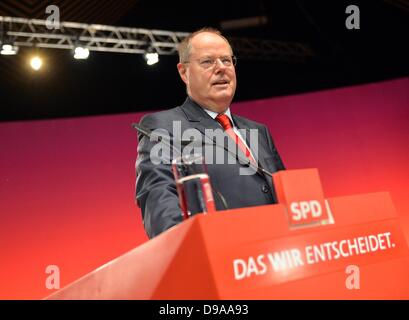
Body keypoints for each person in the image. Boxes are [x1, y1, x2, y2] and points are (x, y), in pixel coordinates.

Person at [135, 28, 285, 238]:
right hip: (224, 256)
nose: (221, 68)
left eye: (226, 60)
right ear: (183, 72)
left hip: (280, 255)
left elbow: (287, 194)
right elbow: (159, 200)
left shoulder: (259, 132)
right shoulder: (163, 126)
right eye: (208, 61)